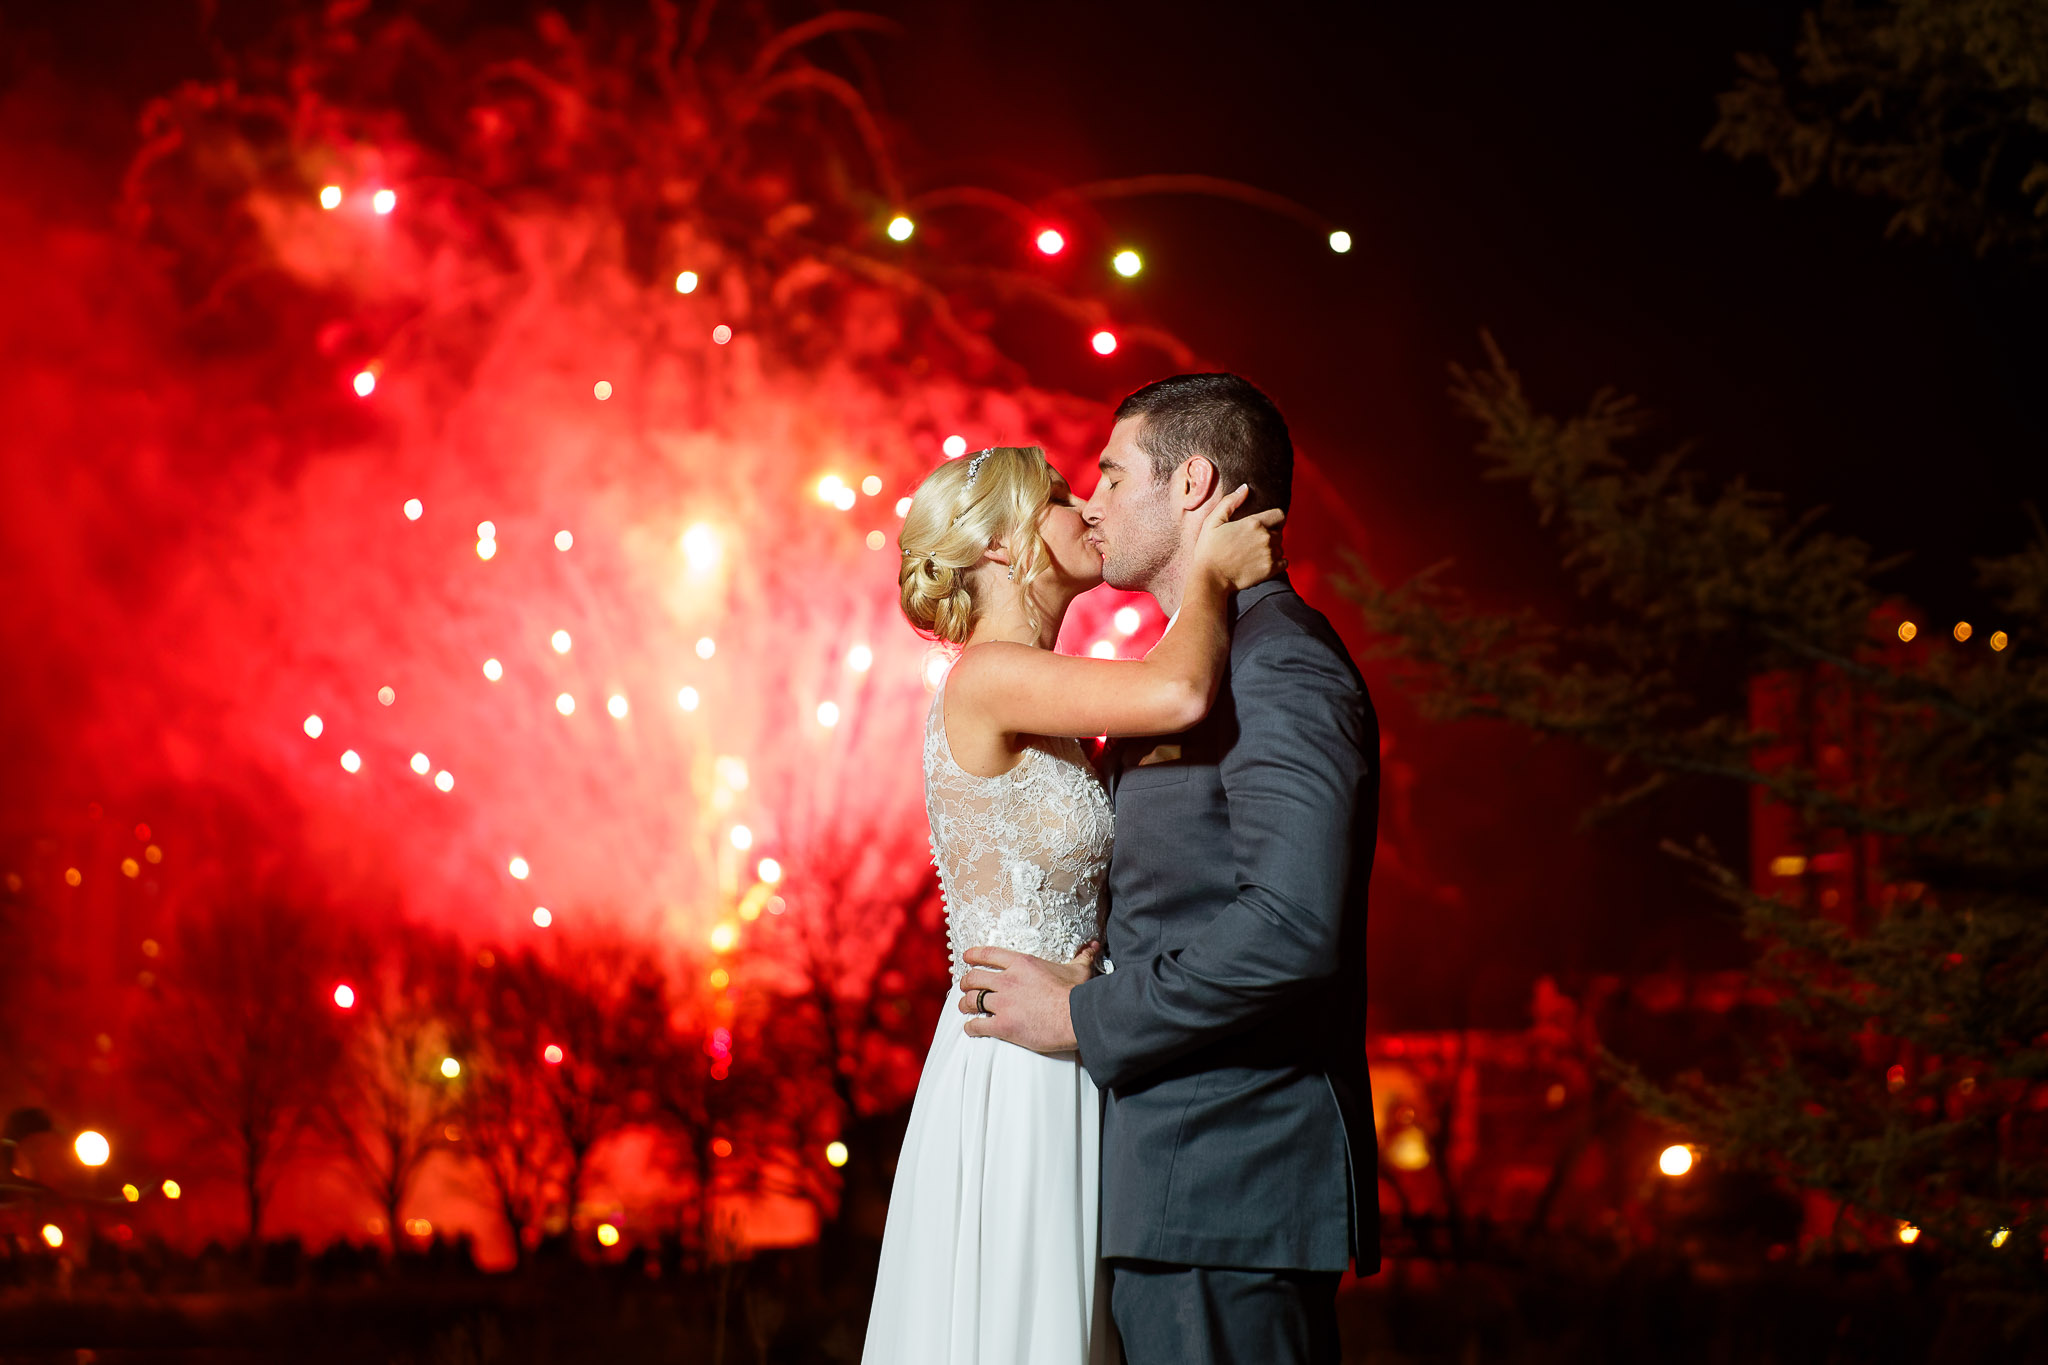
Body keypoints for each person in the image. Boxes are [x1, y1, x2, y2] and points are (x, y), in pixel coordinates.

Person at [958, 375, 1380, 1365]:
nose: (1089, 503)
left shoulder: (1278, 665)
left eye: (1108, 474)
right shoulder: (1197, 664)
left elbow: (1289, 927)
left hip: (1227, 1190)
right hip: (1167, 1190)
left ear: (1191, 482)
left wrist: (1080, 1016)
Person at [863, 442, 1283, 1365]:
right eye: (1059, 498)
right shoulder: (987, 674)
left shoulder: (1038, 688)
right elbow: (1177, 689)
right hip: (1016, 1062)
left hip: (1068, 1040)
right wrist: (1209, 571)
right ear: (1009, 549)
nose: (1088, 508)